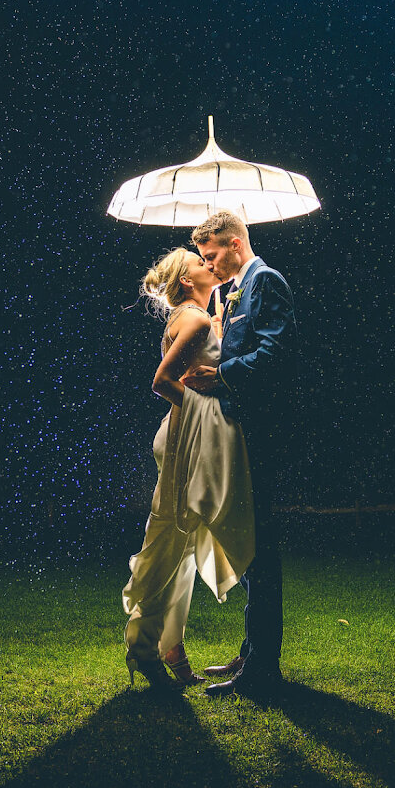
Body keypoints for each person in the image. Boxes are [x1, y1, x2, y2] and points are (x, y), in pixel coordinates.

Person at [122, 249, 256, 692]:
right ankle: (144, 649)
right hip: (188, 441)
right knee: (169, 542)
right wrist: (209, 405)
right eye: (200, 262)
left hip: (190, 436)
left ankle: (169, 646)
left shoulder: (198, 317)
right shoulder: (194, 321)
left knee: (181, 544)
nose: (209, 264)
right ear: (186, 281)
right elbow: (162, 382)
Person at [182, 209, 297, 699]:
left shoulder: (266, 282)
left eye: (212, 255)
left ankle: (263, 669)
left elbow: (276, 354)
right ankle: (252, 651)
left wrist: (223, 375)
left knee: (261, 550)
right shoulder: (231, 293)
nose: (210, 266)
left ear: (233, 242)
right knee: (248, 544)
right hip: (239, 429)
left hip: (262, 433)